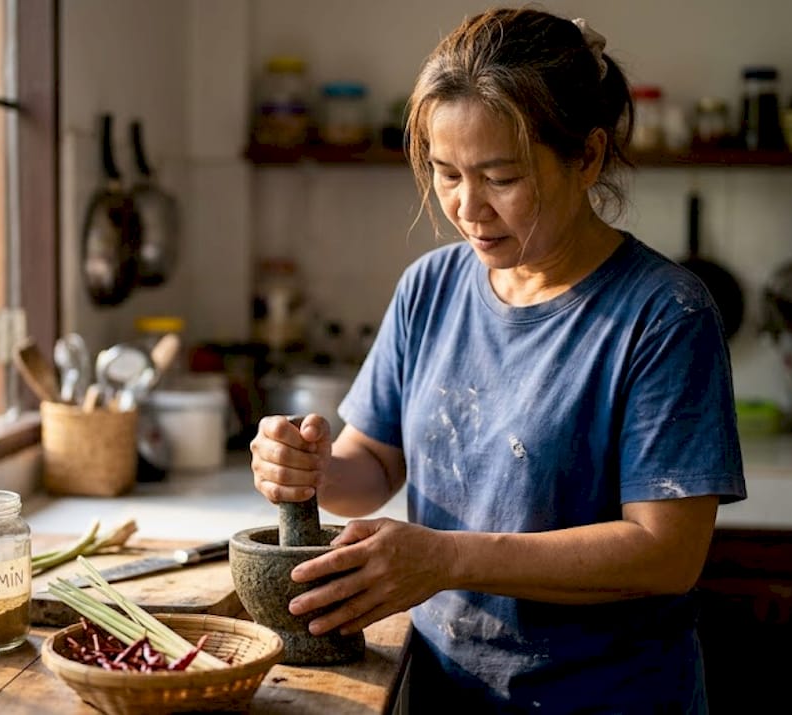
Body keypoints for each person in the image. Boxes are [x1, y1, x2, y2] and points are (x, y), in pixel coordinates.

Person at [248, 7, 747, 713]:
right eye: (446, 173)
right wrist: (312, 467)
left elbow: (666, 553)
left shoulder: (666, 314)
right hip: (444, 692)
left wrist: (446, 557)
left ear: (588, 157)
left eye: (501, 177)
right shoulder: (431, 288)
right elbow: (373, 468)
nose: (467, 207)